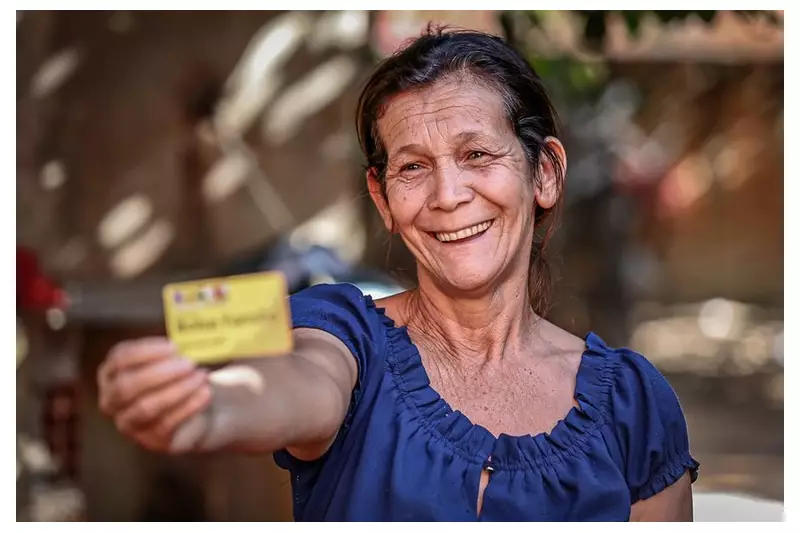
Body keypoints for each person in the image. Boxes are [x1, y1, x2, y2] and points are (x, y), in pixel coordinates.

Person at [97, 28, 699, 521]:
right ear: (382, 200)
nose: (447, 195)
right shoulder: (348, 334)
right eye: (412, 167)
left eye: (477, 156)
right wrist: (212, 408)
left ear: (543, 173)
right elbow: (302, 382)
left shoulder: (634, 405)